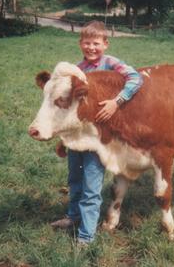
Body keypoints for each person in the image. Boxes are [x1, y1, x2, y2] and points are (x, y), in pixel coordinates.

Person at [51, 20, 143, 245]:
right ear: (80, 43)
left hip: (98, 138)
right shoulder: (77, 70)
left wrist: (116, 101)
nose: (91, 47)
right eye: (86, 43)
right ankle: (72, 217)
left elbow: (136, 78)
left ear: (105, 44)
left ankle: (85, 236)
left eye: (96, 43)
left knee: (92, 185)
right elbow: (69, 105)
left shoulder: (110, 63)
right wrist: (63, 138)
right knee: (74, 179)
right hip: (77, 135)